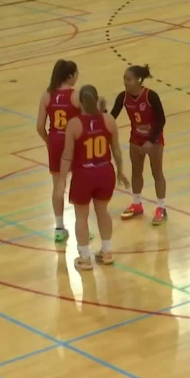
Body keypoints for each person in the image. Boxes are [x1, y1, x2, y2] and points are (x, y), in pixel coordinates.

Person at [57, 85, 129, 270]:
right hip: (105, 171)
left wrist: (61, 181)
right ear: (97, 99)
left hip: (84, 174)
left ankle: (85, 258)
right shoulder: (109, 120)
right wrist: (120, 171)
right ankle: (106, 252)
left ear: (80, 102)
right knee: (103, 211)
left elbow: (67, 156)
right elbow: (117, 150)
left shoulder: (74, 124)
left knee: (81, 217)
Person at [109, 64, 168, 226]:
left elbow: (161, 120)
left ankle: (161, 208)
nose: (125, 82)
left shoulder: (151, 96)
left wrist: (151, 140)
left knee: (157, 173)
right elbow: (112, 116)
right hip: (135, 139)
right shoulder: (123, 97)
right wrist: (100, 114)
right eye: (124, 79)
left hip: (153, 140)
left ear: (138, 80)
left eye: (129, 79)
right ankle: (137, 204)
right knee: (136, 172)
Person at [36, 59, 80, 243]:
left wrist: (49, 141)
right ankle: (81, 227)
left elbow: (39, 127)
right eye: (76, 74)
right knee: (79, 185)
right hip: (73, 141)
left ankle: (59, 228)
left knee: (58, 185)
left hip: (55, 140)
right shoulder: (76, 96)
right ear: (70, 76)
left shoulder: (47, 95)